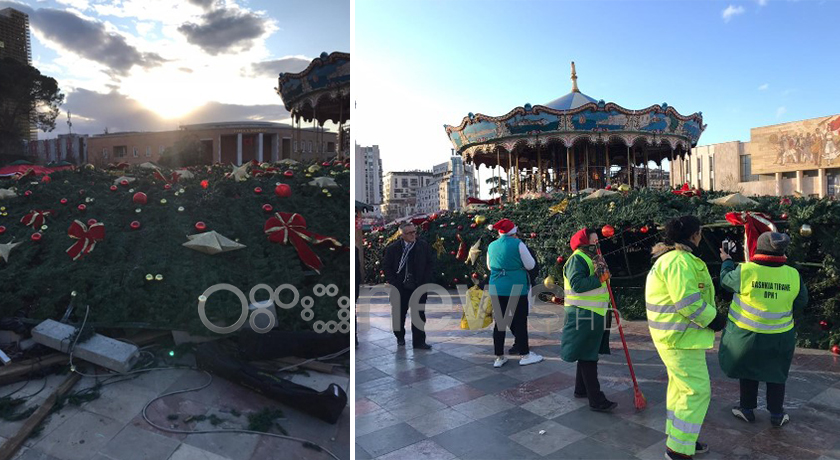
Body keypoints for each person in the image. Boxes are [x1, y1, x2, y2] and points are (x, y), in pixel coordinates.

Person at [645, 215, 727, 460]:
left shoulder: (669, 259)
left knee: (681, 389)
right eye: (700, 232)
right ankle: (679, 450)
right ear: (694, 235)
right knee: (696, 391)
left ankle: (680, 438)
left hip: (675, 336)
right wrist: (715, 319)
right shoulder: (680, 262)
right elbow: (688, 302)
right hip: (680, 338)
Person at [718, 232, 808, 428]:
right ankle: (777, 414)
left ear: (758, 249)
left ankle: (746, 409)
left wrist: (726, 261)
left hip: (747, 335)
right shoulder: (793, 274)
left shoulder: (745, 271)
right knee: (776, 374)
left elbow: (725, 281)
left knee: (748, 370)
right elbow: (802, 301)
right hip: (780, 337)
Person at [560, 228, 617, 412]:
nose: (597, 244)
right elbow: (578, 285)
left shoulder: (590, 257)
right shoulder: (577, 259)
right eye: (594, 242)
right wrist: (600, 278)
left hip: (594, 312)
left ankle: (581, 389)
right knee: (588, 356)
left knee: (586, 351)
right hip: (583, 313)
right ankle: (596, 399)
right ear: (585, 243)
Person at [487, 218, 543, 367]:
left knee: (499, 322)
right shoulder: (519, 244)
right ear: (513, 231)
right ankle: (524, 355)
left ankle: (499, 357)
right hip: (516, 288)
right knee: (519, 321)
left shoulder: (492, 245)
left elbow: (489, 266)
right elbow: (530, 265)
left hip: (496, 288)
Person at [382, 222, 433, 349]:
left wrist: (425, 280)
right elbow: (387, 266)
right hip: (400, 288)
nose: (412, 235)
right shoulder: (393, 248)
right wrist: (393, 281)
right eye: (409, 233)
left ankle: (419, 342)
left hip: (418, 286)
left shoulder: (422, 245)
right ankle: (400, 336)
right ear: (402, 234)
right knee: (398, 316)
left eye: (414, 232)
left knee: (419, 315)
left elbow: (430, 264)